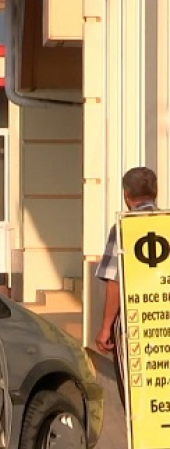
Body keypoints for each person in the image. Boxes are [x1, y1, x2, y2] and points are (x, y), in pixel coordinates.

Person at [95, 166, 158, 402]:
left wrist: (105, 328)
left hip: (133, 319)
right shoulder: (166, 222)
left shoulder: (124, 227)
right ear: (156, 192)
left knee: (135, 389)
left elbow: (115, 280)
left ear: (126, 195)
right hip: (163, 315)